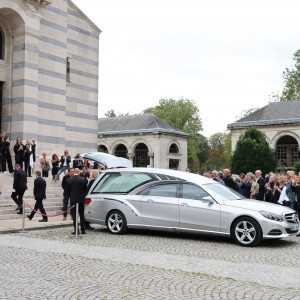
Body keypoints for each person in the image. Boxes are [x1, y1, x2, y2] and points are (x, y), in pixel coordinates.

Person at [66, 168, 87, 234]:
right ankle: (83, 229)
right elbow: (85, 190)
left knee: (74, 216)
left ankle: (76, 230)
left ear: (74, 172)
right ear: (79, 172)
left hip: (73, 200)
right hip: (81, 199)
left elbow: (66, 192)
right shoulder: (83, 179)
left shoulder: (69, 180)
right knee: (82, 214)